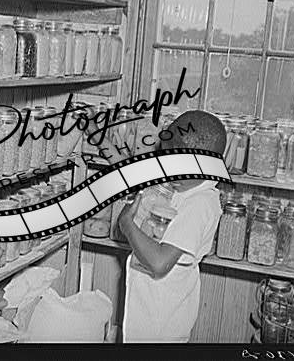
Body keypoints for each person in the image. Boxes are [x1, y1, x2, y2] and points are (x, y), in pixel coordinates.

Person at [86, 109, 227, 343]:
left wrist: (127, 224)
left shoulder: (200, 204)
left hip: (162, 329)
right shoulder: (182, 182)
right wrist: (93, 130)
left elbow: (159, 263)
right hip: (145, 319)